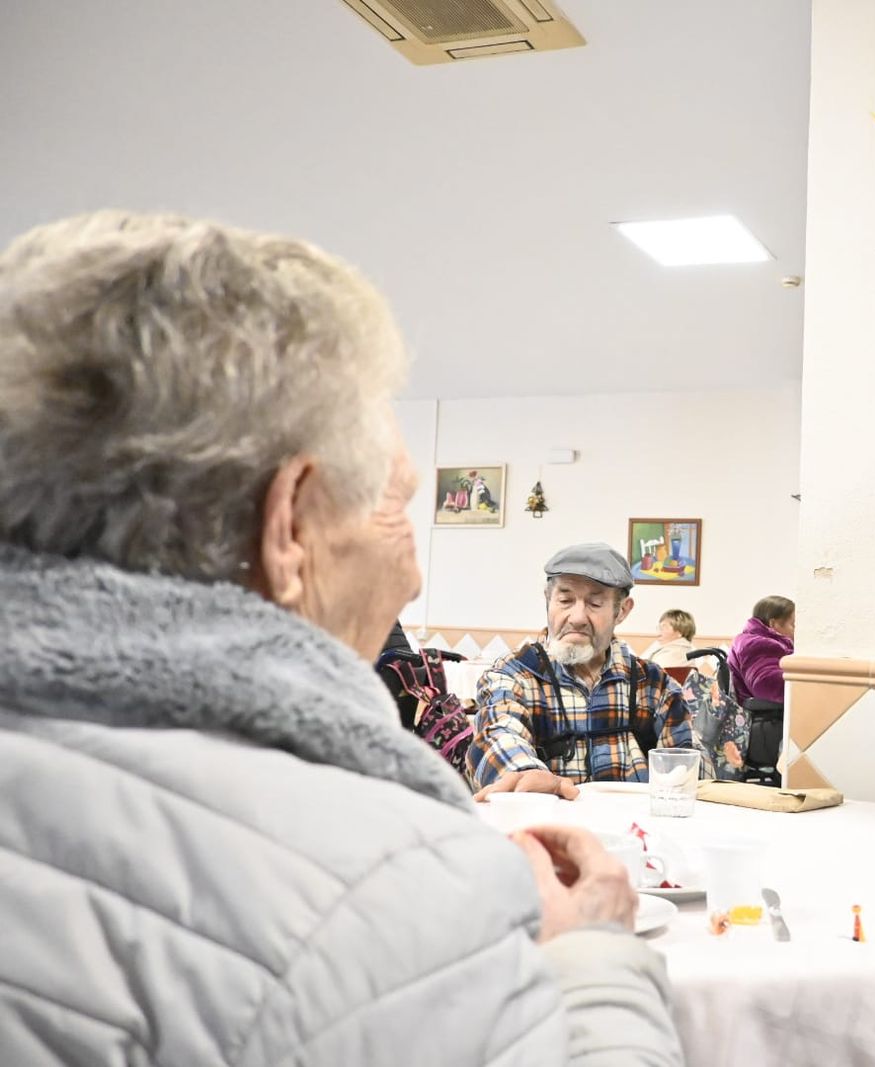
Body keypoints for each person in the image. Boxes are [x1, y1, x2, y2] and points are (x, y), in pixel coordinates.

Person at [0, 212, 681, 1064]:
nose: (413, 579)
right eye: (395, 505)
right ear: (288, 528)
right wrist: (594, 957)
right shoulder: (385, 882)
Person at [468, 543, 694, 790]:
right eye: (565, 600)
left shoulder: (652, 684)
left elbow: (687, 763)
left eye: (595, 603)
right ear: (548, 599)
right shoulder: (514, 675)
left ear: (622, 611)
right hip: (548, 824)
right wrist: (525, 775)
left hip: (636, 826)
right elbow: (499, 736)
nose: (576, 617)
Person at [727, 596, 795, 706]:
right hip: (766, 718)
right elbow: (764, 683)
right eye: (793, 625)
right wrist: (804, 686)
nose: (796, 631)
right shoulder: (759, 644)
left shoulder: (749, 639)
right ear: (773, 624)